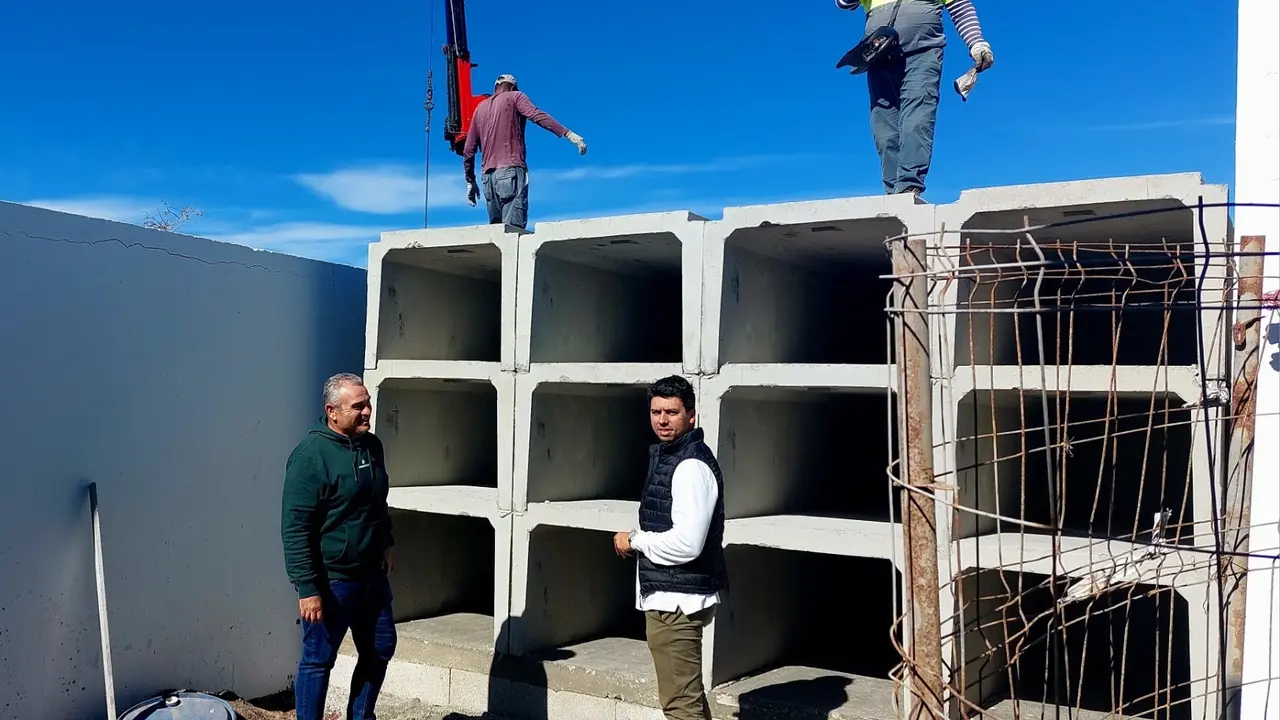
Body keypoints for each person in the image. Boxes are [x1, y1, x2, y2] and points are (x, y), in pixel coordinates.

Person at [280, 373, 396, 720]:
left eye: (367, 403)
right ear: (332, 411)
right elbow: (295, 528)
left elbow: (378, 504)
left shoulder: (372, 447)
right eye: (357, 406)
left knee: (381, 647)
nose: (367, 412)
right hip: (332, 582)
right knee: (318, 659)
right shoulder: (310, 457)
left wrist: (387, 542)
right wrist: (308, 588)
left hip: (372, 577)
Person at [613, 375, 727, 720]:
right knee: (687, 699)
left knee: (680, 707)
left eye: (672, 412)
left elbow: (688, 543)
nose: (662, 420)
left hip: (676, 601)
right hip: (674, 594)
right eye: (656, 411)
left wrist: (635, 540)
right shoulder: (673, 457)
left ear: (691, 415)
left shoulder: (690, 465)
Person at [837, 0, 994, 197]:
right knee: (884, 132)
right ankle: (893, 194)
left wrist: (976, 43)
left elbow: (960, 7)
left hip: (924, 53)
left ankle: (908, 186)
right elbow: (844, 3)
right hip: (878, 58)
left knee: (917, 118)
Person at [462, 73, 588, 229]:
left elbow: (468, 149)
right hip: (510, 172)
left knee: (496, 233)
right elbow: (536, 115)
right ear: (512, 87)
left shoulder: (479, 109)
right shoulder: (515, 96)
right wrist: (567, 133)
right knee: (513, 232)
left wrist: (470, 181)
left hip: (488, 179)